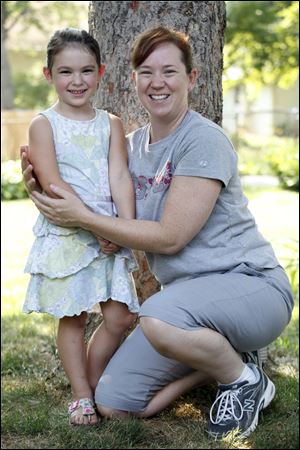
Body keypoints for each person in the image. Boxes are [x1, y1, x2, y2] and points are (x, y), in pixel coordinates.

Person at [21, 26, 294, 439]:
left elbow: (170, 237)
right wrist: (39, 186)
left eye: (169, 71)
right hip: (184, 308)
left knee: (154, 319)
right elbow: (94, 192)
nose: (157, 83)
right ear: (133, 79)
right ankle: (228, 362)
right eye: (146, 72)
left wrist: (87, 219)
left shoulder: (203, 140)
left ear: (192, 78)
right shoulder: (128, 145)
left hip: (249, 287)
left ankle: (241, 382)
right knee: (114, 403)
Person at [21, 28, 140, 427]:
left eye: (86, 70)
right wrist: (96, 229)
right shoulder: (44, 124)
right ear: (48, 74)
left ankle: (90, 382)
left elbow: (120, 174)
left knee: (119, 317)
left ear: (101, 71)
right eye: (66, 71)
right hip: (71, 235)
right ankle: (81, 395)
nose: (77, 81)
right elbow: (53, 181)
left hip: (109, 234)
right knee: (73, 317)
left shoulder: (111, 123)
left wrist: (122, 228)